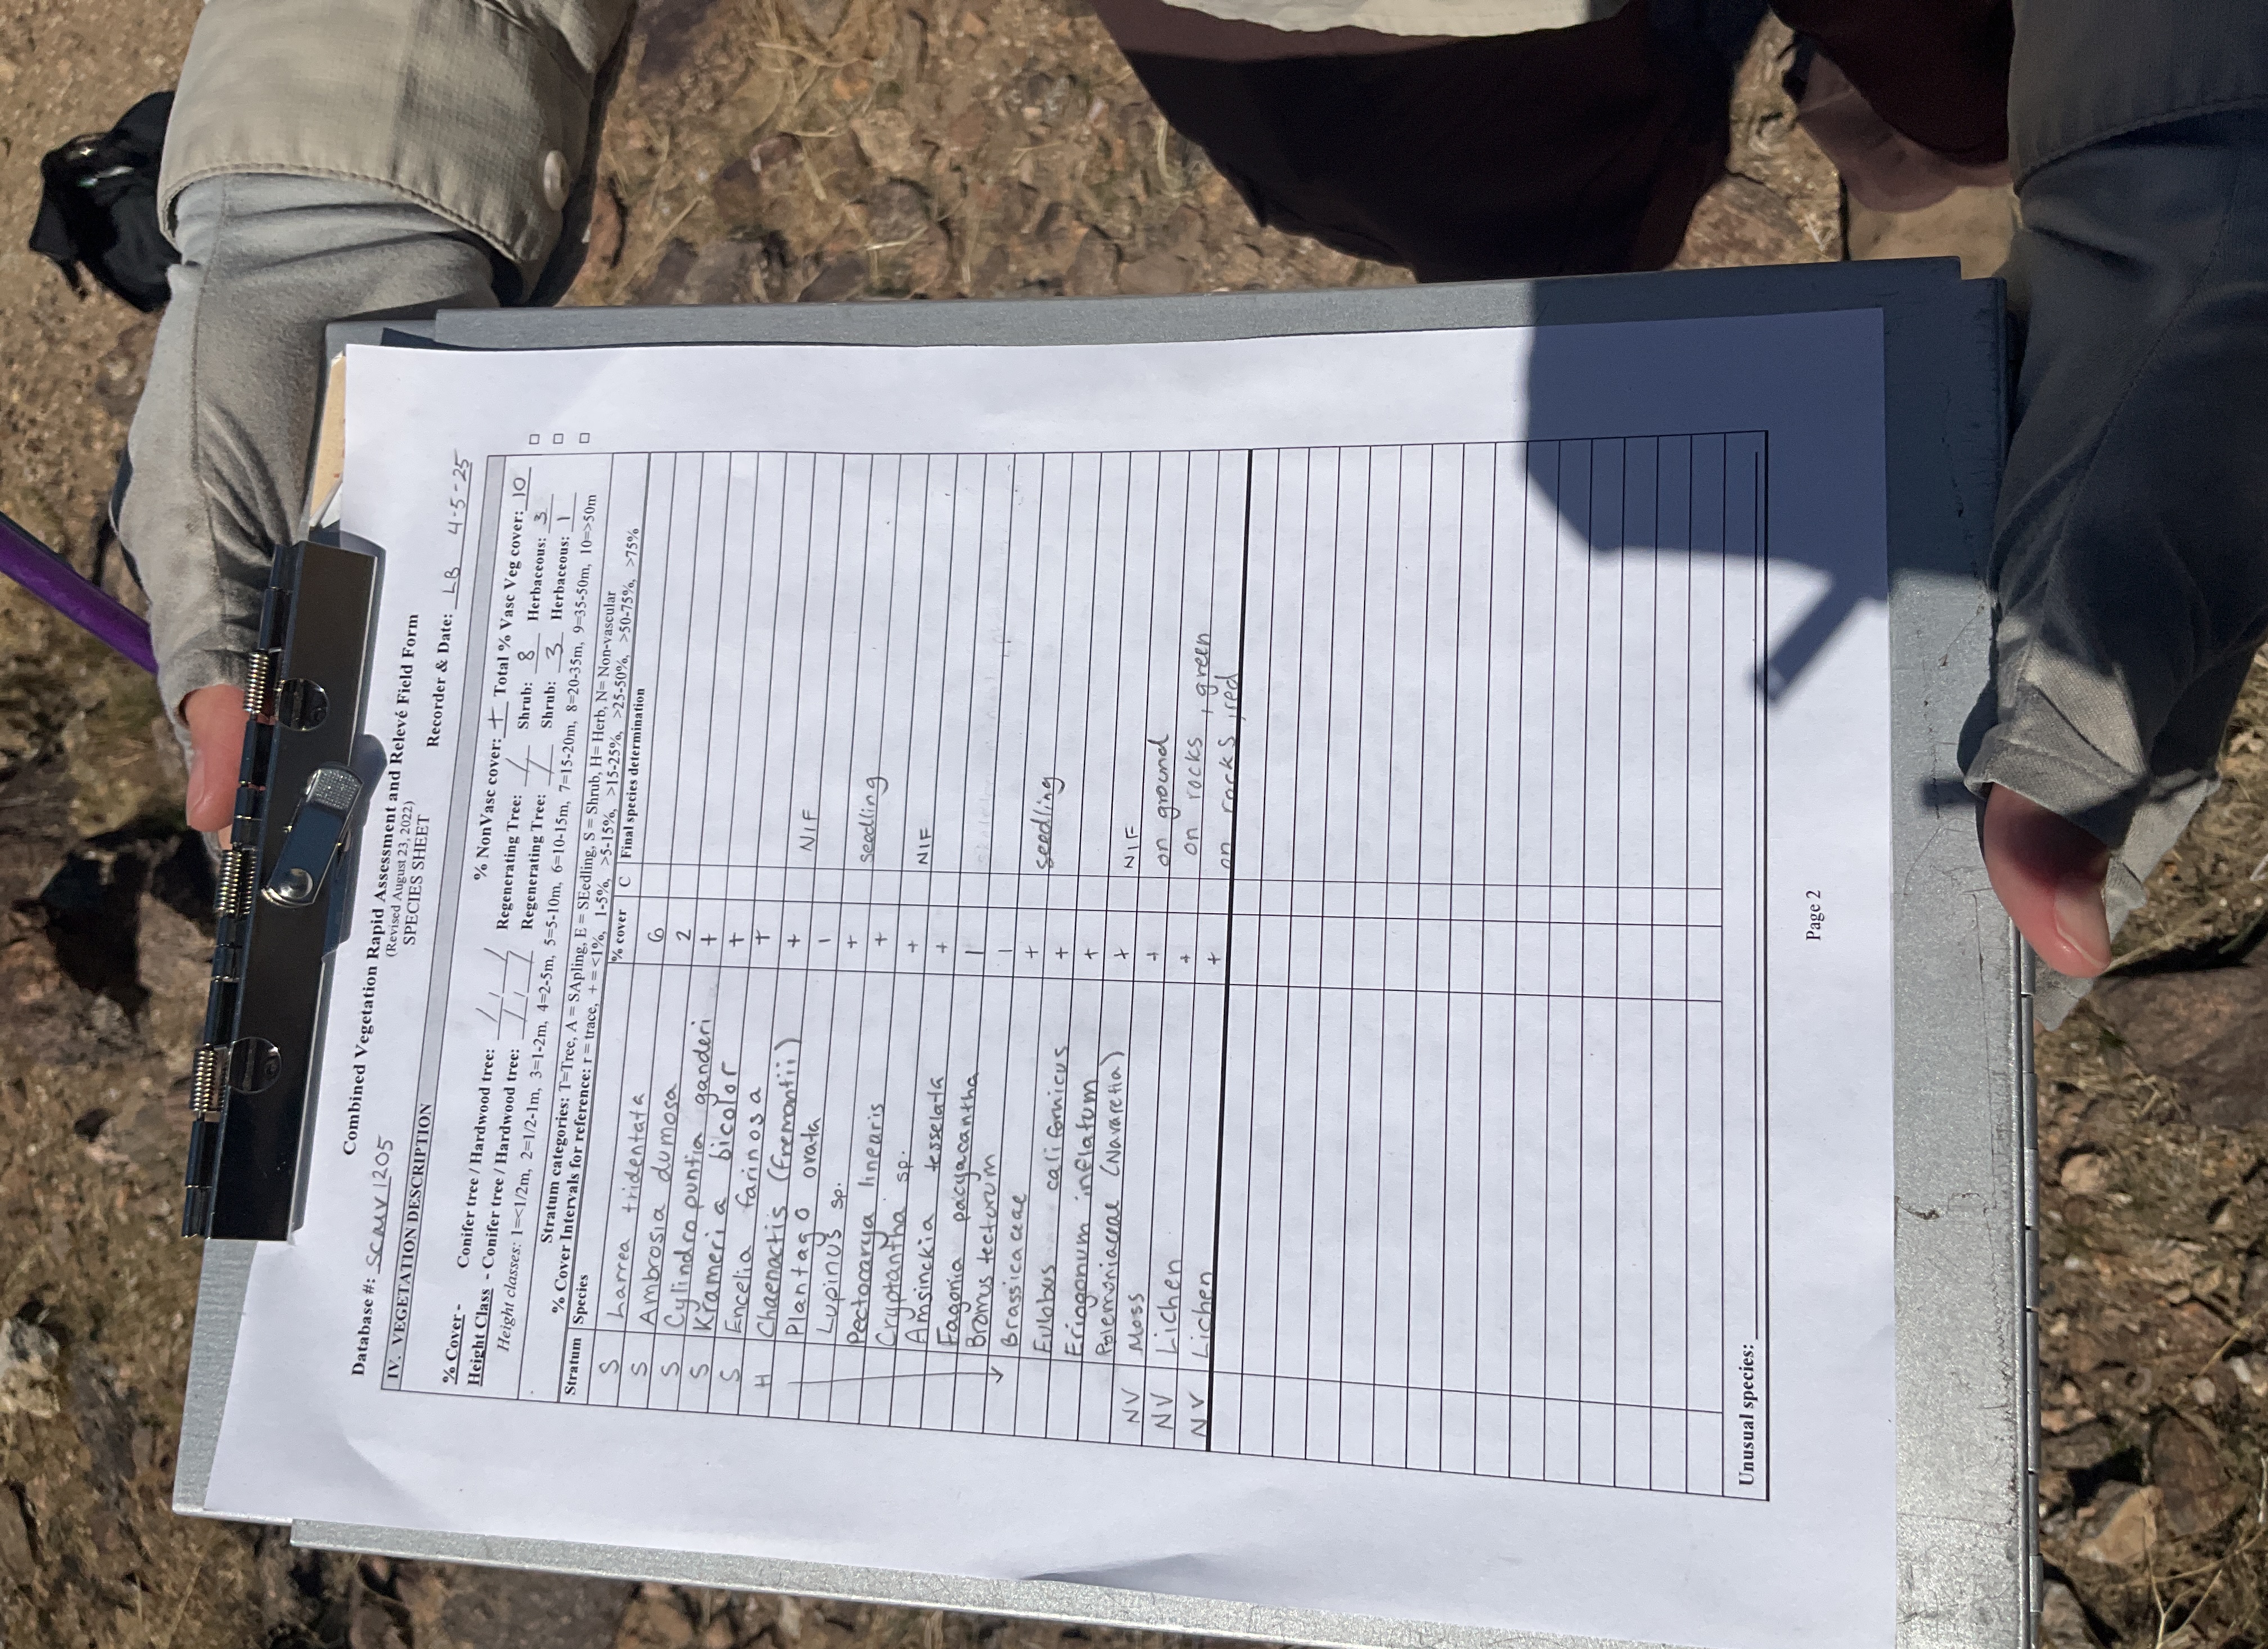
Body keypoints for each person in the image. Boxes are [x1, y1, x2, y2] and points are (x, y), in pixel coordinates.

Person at [119, 0, 2268, 1023]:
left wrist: (2196, 117)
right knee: (1505, 203)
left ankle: (1932, 185)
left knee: (1957, 101)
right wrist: (347, 153)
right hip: (1341, 19)